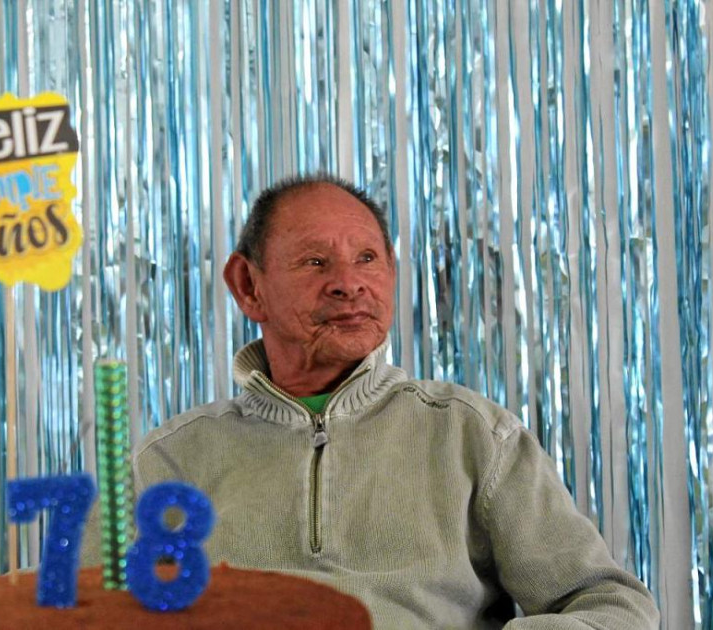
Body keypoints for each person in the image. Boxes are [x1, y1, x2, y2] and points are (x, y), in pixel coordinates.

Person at [131, 174, 660, 628]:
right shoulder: (171, 459)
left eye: (366, 258)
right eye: (315, 262)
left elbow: (610, 605)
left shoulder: (470, 434)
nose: (349, 284)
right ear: (248, 286)